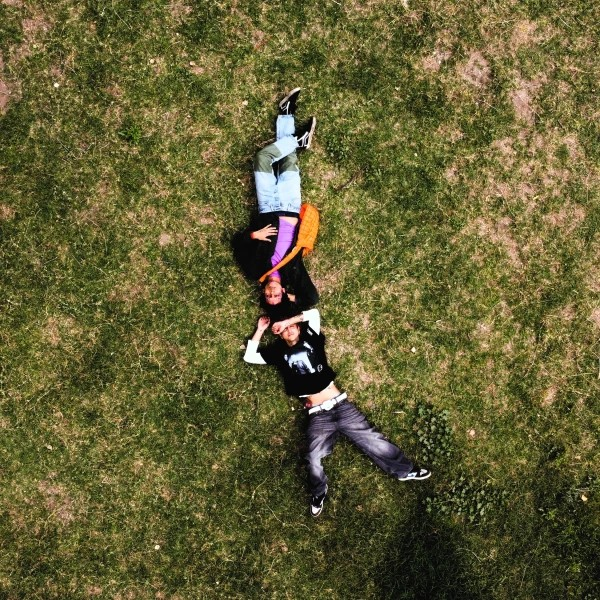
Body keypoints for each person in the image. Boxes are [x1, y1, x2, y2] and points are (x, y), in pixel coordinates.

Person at [243, 307, 431, 517]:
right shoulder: (279, 353)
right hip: (318, 415)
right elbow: (250, 356)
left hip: (341, 406)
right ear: (279, 334)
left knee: (372, 438)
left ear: (298, 326)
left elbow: (313, 314)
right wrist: (261, 329)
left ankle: (405, 470)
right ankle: (318, 492)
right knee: (312, 456)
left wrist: (287, 321)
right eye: (285, 329)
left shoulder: (311, 337)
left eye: (292, 326)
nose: (289, 330)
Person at [232, 88, 319, 318]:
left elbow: (236, 242)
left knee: (262, 158)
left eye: (268, 297)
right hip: (291, 205)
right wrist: (292, 300)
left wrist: (254, 236)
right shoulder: (292, 273)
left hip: (268, 205)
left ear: (263, 293)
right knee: (288, 159)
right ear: (282, 292)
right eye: (276, 297)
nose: (272, 294)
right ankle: (286, 113)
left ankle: (298, 139)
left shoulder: (254, 270)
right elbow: (311, 299)